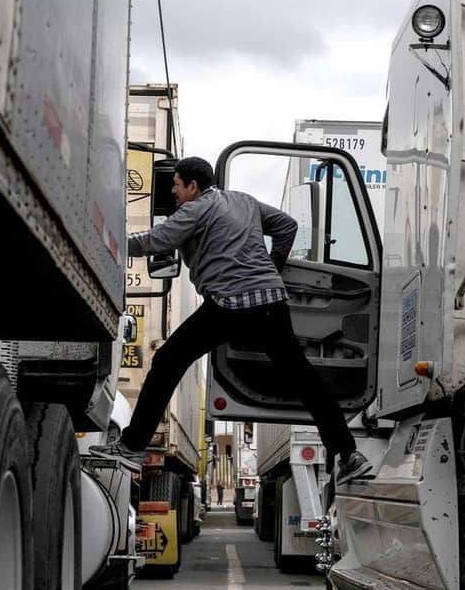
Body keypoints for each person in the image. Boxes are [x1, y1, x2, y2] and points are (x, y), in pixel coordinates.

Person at [91, 156, 372, 485]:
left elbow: (159, 240)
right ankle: (349, 454)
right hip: (270, 301)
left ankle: (132, 447)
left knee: (168, 361)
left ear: (193, 186)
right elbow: (287, 226)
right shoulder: (244, 201)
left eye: (177, 186)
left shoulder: (194, 210)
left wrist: (111, 237)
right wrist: (271, 266)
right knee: (306, 381)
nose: (175, 193)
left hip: (228, 304)